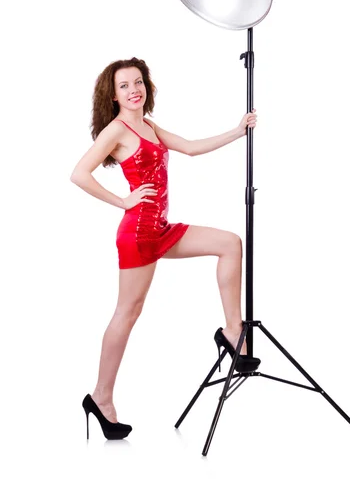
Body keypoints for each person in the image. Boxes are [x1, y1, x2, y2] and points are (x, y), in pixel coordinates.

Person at [71, 57, 259, 439]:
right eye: (124, 86)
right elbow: (78, 173)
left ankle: (231, 330)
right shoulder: (117, 130)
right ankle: (101, 397)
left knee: (229, 244)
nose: (133, 90)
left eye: (138, 82)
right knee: (128, 312)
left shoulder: (149, 126)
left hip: (161, 229)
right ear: (113, 95)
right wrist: (123, 201)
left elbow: (189, 147)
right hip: (139, 232)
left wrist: (238, 131)